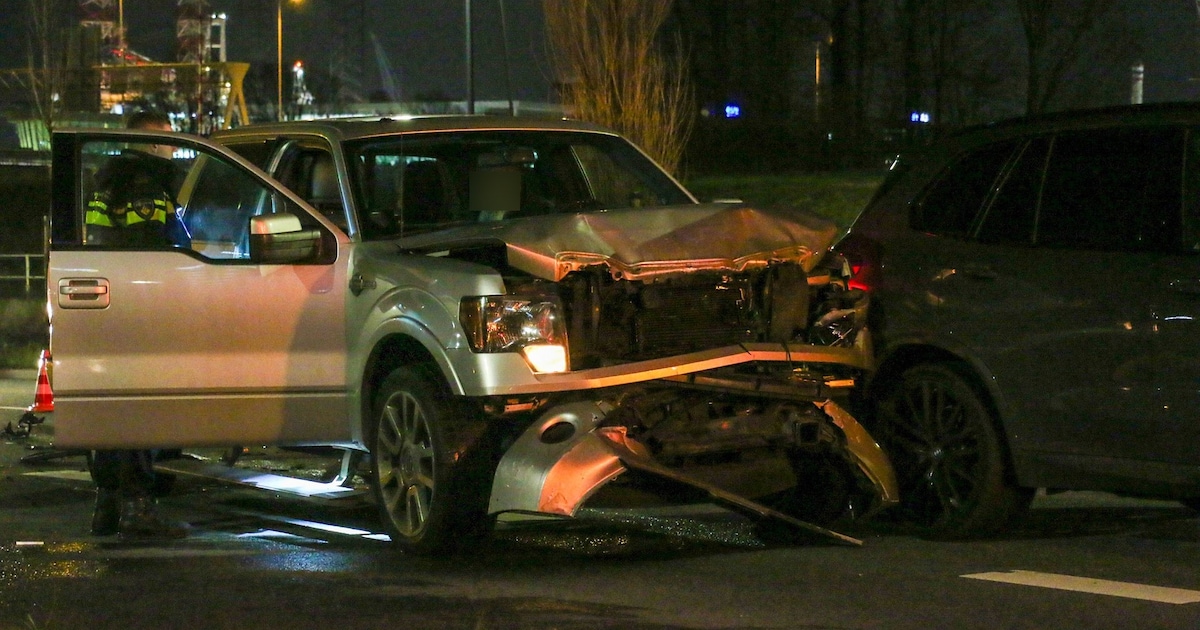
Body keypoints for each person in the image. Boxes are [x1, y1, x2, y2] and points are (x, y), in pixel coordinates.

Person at [88, 110, 189, 540]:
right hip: (139, 307)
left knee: (117, 408)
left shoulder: (110, 180)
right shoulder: (145, 183)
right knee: (140, 409)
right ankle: (137, 508)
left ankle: (108, 503)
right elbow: (149, 255)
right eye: (168, 141)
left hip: (112, 307)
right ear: (150, 143)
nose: (173, 149)